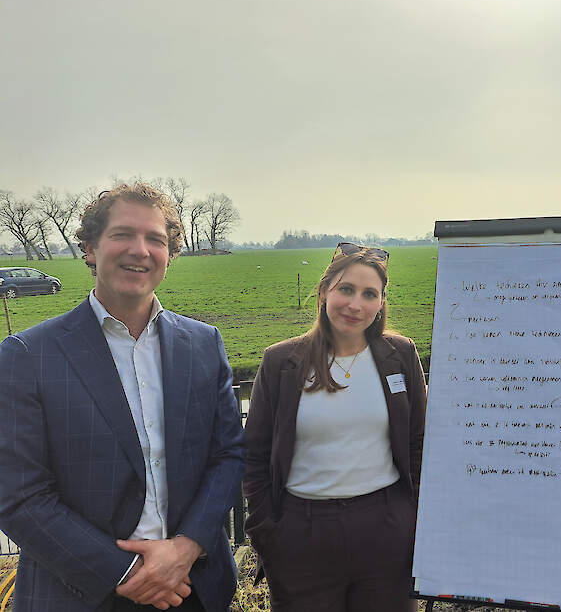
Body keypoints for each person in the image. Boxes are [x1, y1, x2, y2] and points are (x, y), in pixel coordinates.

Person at [0, 183, 245, 611]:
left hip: (192, 588)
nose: (140, 250)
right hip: (78, 593)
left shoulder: (203, 344)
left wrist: (186, 548)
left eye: (156, 239)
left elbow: (228, 455)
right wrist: (126, 573)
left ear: (170, 255)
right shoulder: (27, 356)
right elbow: (19, 495)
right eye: (122, 235)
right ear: (91, 248)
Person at [243, 243, 426, 612]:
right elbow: (254, 456)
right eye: (346, 289)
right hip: (301, 534)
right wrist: (270, 533)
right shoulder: (281, 361)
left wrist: (412, 518)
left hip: (386, 531)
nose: (355, 305)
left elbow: (420, 442)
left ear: (380, 303)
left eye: (369, 294)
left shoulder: (400, 355)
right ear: (325, 290)